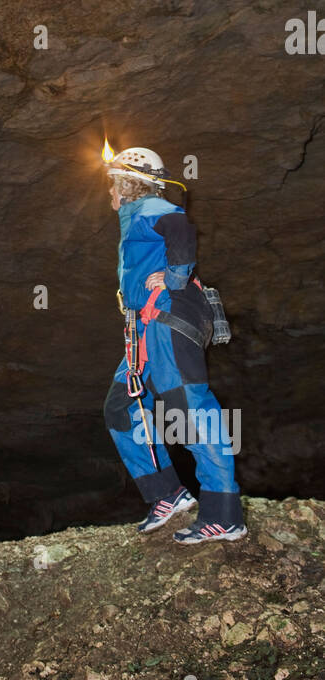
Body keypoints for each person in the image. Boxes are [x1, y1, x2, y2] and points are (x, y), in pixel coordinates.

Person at [102, 145, 246, 543]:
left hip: (170, 315)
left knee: (188, 407)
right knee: (121, 407)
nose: (108, 195)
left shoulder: (149, 206)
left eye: (112, 185)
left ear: (126, 184)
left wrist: (175, 277)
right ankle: (168, 493)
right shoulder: (136, 215)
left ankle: (224, 512)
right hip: (148, 326)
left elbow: (180, 228)